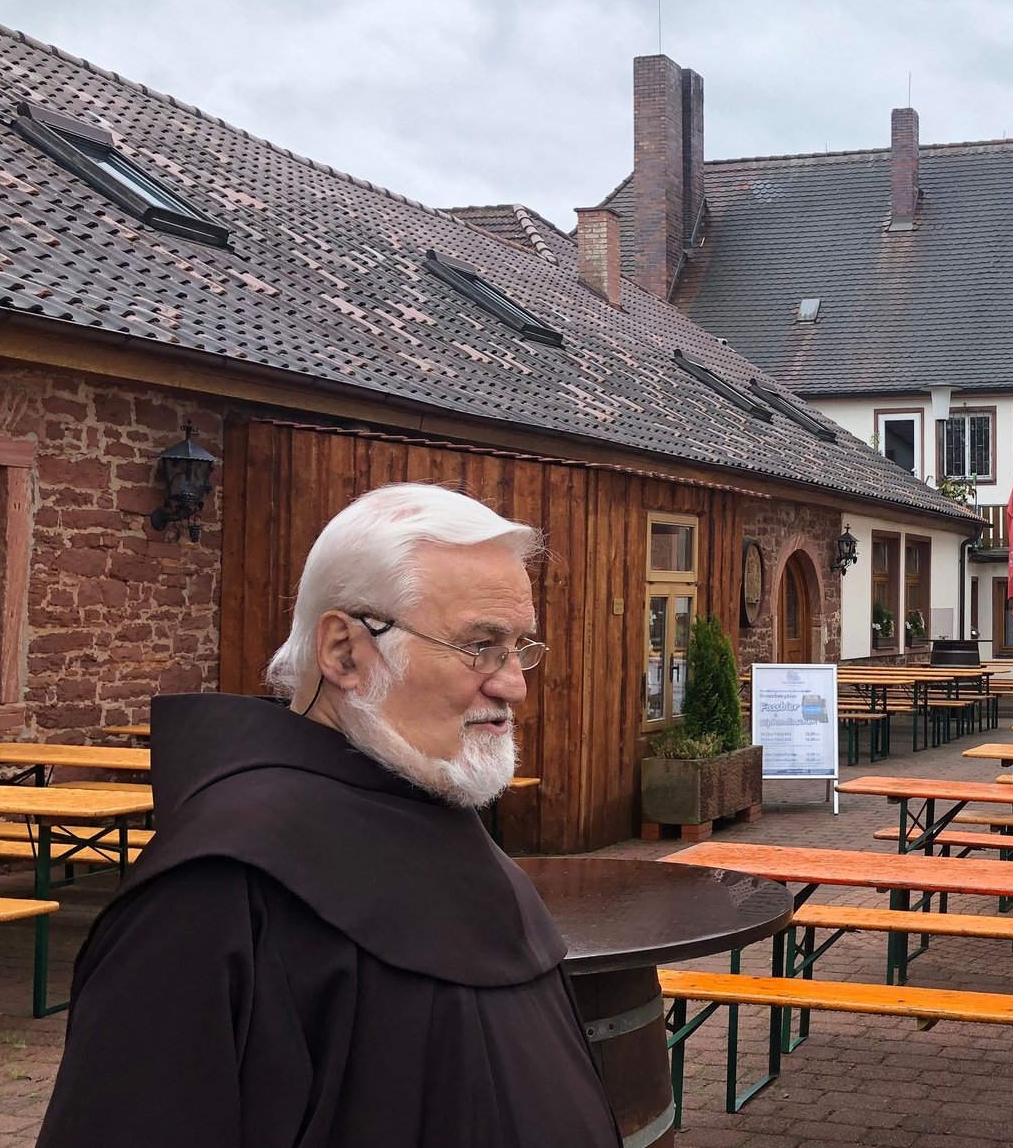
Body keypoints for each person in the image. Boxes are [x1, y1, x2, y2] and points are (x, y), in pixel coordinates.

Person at [37, 484, 622, 1148]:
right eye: (479, 645)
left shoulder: (435, 808)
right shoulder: (219, 889)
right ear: (344, 651)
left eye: (519, 645)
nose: (513, 682)